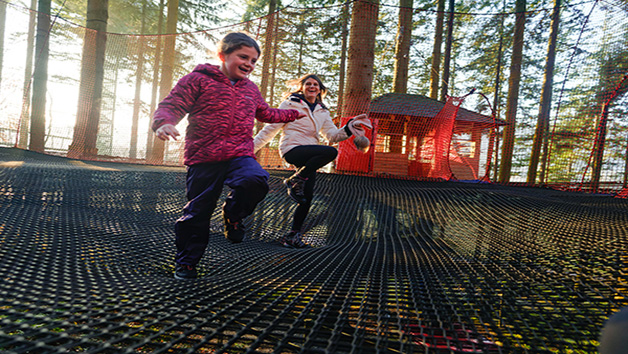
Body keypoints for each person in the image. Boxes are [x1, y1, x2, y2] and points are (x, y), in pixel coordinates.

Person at [152, 32, 305, 280]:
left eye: (254, 60)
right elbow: (173, 104)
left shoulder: (250, 89)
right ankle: (187, 263)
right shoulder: (198, 80)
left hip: (239, 153)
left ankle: (233, 215)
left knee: (255, 180)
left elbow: (265, 113)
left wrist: (290, 114)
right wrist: (164, 123)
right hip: (204, 156)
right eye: (243, 57)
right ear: (223, 55)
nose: (249, 64)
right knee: (197, 212)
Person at [253, 73, 371, 248]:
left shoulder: (322, 110)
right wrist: (249, 150)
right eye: (308, 84)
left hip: (310, 157)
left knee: (306, 198)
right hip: (292, 149)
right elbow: (270, 129)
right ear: (302, 87)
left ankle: (292, 236)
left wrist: (349, 127)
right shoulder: (290, 104)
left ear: (320, 89)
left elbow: (332, 135)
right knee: (330, 152)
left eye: (315, 84)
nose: (312, 86)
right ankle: (295, 180)